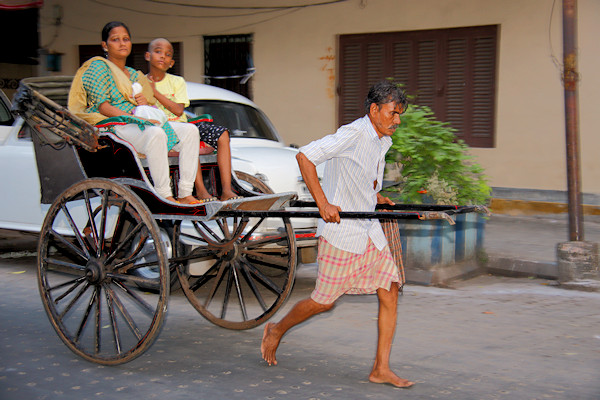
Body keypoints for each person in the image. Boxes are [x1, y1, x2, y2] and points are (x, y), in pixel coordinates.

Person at [260, 81, 414, 388]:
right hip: (341, 234)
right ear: (374, 110)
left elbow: (361, 176)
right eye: (393, 112)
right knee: (324, 301)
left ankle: (380, 368)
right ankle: (276, 330)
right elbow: (305, 156)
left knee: (390, 289)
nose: (397, 120)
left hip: (368, 230)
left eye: (400, 114)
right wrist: (323, 202)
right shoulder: (354, 133)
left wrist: (375, 196)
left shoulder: (380, 140)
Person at [68, 21, 201, 205]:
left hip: (137, 122)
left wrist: (143, 104)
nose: (122, 43)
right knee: (155, 134)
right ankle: (164, 195)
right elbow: (103, 107)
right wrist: (134, 117)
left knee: (190, 131)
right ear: (105, 45)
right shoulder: (97, 67)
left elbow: (148, 103)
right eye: (115, 40)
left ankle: (185, 193)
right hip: (113, 124)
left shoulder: (133, 74)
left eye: (126, 39)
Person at [145, 37, 239, 201]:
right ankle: (201, 190)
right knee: (190, 137)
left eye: (167, 54)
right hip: (161, 129)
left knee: (222, 134)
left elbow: (178, 109)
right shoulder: (141, 83)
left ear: (172, 62)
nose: (162, 57)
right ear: (147, 56)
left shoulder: (176, 81)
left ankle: (226, 189)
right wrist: (149, 90)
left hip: (183, 125)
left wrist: (155, 93)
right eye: (158, 51)